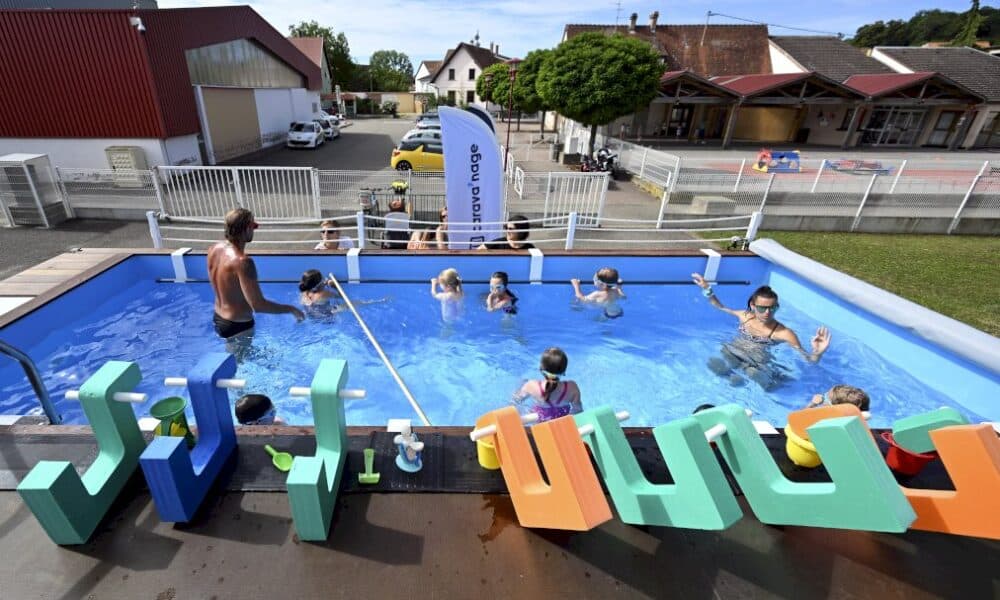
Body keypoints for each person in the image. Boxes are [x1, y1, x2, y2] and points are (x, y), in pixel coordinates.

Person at [692, 273, 831, 389]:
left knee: (758, 378)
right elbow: (720, 307)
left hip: (756, 363)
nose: (767, 313)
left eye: (772, 308)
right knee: (712, 362)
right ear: (752, 306)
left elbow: (809, 361)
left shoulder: (784, 333)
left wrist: (818, 352)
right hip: (733, 352)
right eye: (762, 308)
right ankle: (735, 377)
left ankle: (772, 380)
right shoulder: (744, 316)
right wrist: (707, 289)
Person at [207, 209, 304, 351]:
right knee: (238, 368)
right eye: (254, 226)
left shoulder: (213, 249)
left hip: (218, 318)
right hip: (238, 325)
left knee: (235, 358)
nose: (254, 230)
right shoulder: (243, 262)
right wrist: (291, 309)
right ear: (246, 228)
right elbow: (258, 305)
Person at [511, 347, 582, 422]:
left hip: (539, 424)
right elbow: (578, 410)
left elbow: (514, 402)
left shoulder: (531, 386)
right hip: (563, 425)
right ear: (564, 371)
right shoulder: (572, 387)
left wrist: (520, 386)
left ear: (541, 369)